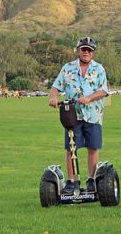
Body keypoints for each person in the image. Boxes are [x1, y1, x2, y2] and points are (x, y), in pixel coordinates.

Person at [48, 37, 109, 194]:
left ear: (93, 52)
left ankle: (91, 179)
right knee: (71, 148)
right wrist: (53, 97)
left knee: (93, 147)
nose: (86, 52)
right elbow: (56, 86)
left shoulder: (99, 69)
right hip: (72, 114)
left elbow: (104, 90)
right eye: (83, 49)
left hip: (93, 114)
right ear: (78, 50)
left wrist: (89, 98)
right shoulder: (68, 68)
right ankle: (71, 181)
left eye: (89, 50)